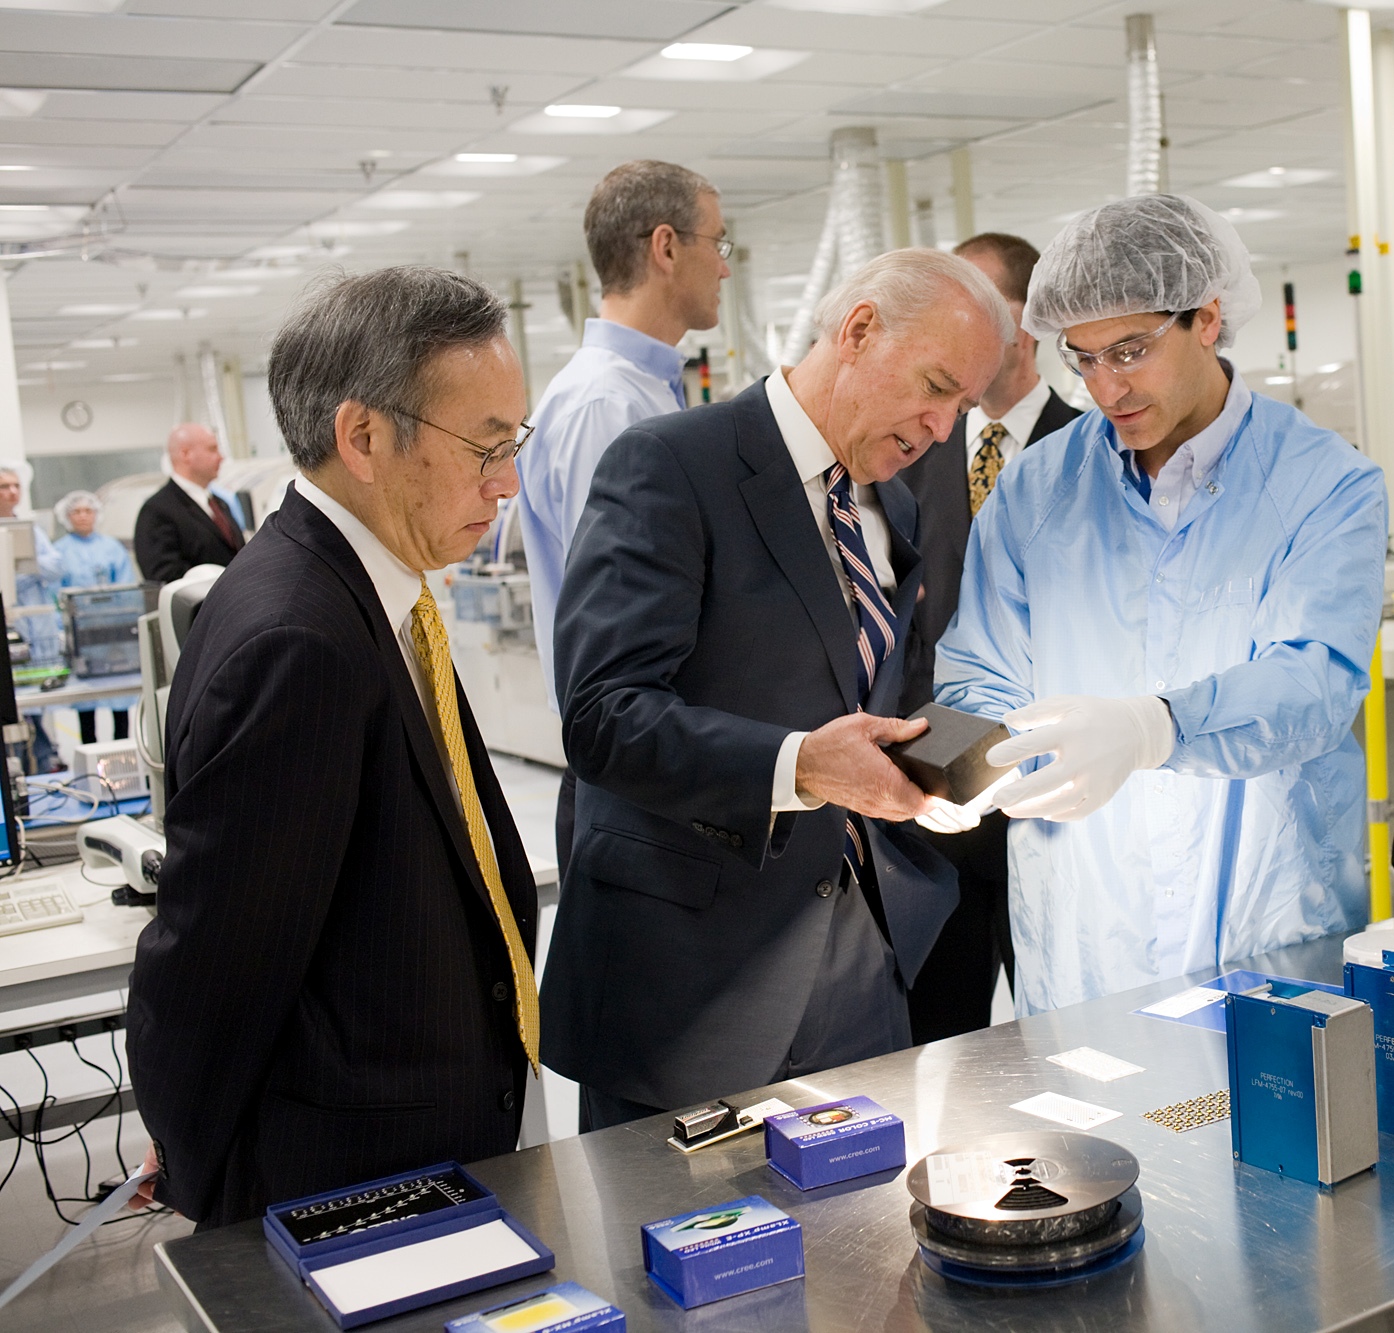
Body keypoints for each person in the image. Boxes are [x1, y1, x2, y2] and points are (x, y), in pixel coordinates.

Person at [540, 248, 1013, 1130]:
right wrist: (801, 764)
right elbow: (603, 714)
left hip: (859, 963)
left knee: (866, 1244)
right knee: (686, 1254)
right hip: (694, 984)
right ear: (860, 330)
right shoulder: (671, 466)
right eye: (936, 386)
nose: (943, 428)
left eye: (961, 406)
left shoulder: (893, 504)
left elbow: (876, 688)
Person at [126, 267, 540, 1226]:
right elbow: (215, 967)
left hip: (411, 1142)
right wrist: (204, 1170)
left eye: (513, 441)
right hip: (342, 1172)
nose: (507, 479)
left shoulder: (371, 591)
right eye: (484, 443)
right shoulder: (297, 640)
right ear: (362, 437)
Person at [934, 194, 1388, 1015]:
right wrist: (984, 766)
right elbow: (975, 671)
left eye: (1130, 350)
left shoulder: (1328, 484)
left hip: (1269, 928)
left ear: (1207, 318)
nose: (1106, 387)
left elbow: (1315, 685)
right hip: (1084, 939)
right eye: (1082, 358)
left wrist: (1155, 726)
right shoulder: (1035, 490)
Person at [515, 160, 730, 884]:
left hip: (655, 758)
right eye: (718, 244)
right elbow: (624, 623)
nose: (725, 270)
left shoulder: (643, 395)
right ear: (666, 247)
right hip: (635, 774)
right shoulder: (606, 407)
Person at [899, 232, 1081, 1044]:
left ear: (1026, 318)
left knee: (1065, 1032)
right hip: (940, 804)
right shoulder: (916, 456)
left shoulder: (1092, 454)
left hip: (1055, 796)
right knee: (945, 1041)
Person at [53, 490, 137, 745]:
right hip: (80, 634)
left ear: (96, 515)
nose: (82, 516)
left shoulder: (111, 547)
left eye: (88, 511)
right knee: (85, 696)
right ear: (67, 517)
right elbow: (55, 594)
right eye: (76, 511)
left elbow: (125, 586)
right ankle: (88, 749)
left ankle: (122, 748)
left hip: (112, 632)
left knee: (119, 692)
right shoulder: (59, 552)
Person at [0, 466, 64, 771]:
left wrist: (25, 566)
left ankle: (42, 761)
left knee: (36, 707)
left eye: (15, 485)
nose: (11, 492)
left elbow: (55, 567)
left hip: (37, 630)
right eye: (4, 486)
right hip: (10, 625)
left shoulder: (31, 530)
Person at [133, 423, 244, 583]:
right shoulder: (157, 511)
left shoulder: (218, 504)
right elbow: (163, 574)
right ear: (185, 454)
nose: (221, 457)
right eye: (212, 449)